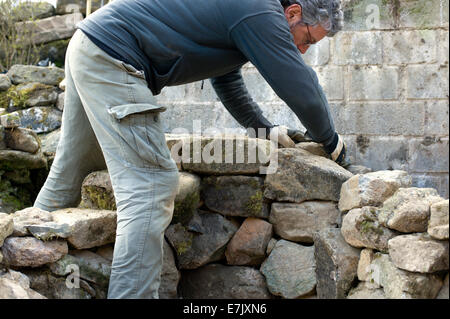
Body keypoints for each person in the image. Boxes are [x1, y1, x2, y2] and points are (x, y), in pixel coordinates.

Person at [34, 0, 347, 298]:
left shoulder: (243, 13)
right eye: (308, 39)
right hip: (113, 57)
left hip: (89, 45)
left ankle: (23, 269)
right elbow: (301, 87)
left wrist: (263, 129)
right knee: (151, 187)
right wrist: (331, 142)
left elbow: (226, 80)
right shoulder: (260, 11)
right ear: (292, 13)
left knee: (71, 172)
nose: (303, 50)